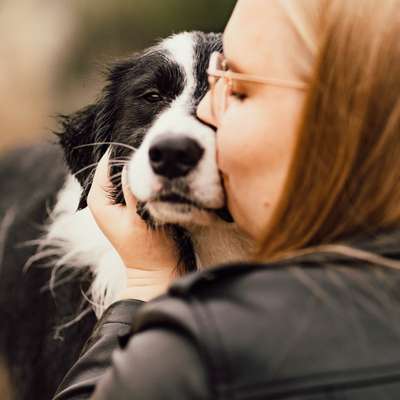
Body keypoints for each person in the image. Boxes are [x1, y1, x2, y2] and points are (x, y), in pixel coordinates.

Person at [54, 0, 400, 398]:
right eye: (153, 98)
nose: (202, 109)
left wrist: (147, 285)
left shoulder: (194, 353)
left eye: (238, 90)